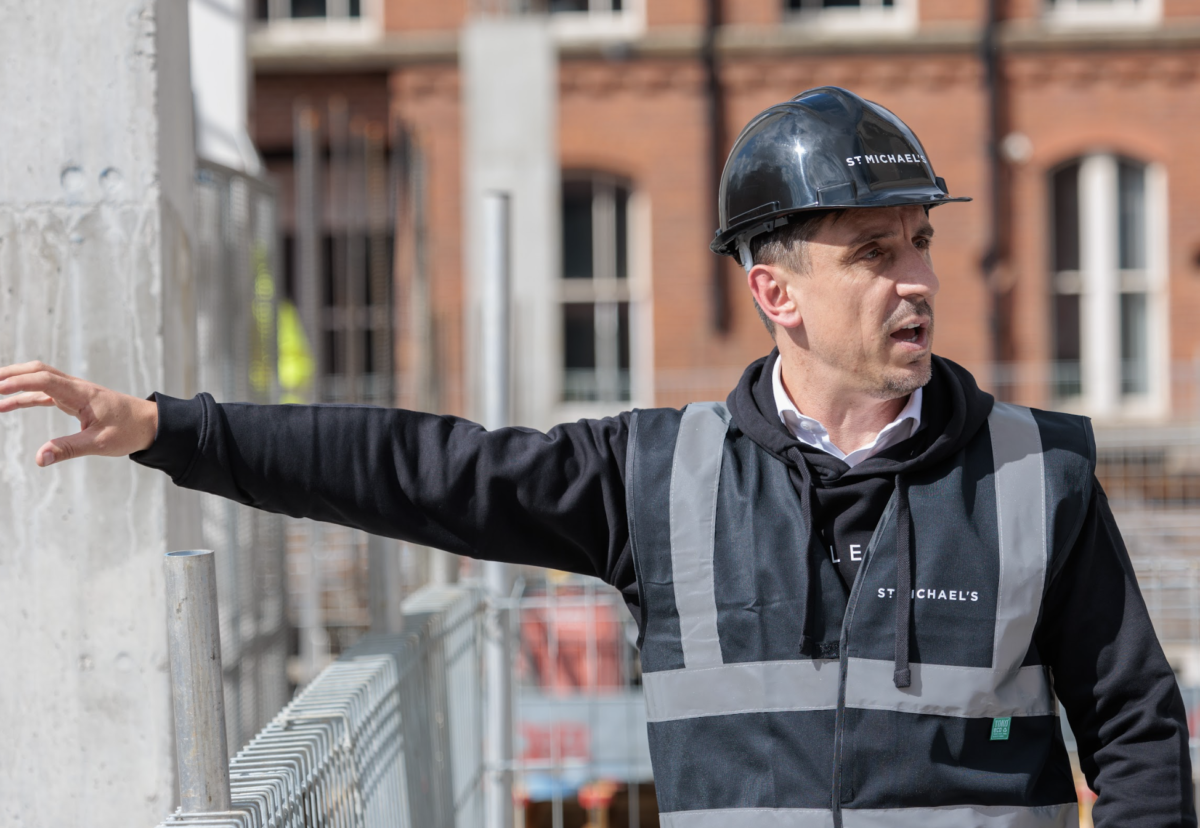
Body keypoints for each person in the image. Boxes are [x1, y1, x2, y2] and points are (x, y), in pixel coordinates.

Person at [0, 87, 1193, 827]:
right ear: (775, 290)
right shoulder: (661, 478)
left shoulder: (1039, 475)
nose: (919, 279)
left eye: (922, 243)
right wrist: (173, 429)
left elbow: (1136, 732)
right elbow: (427, 469)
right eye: (876, 252)